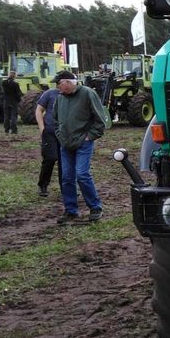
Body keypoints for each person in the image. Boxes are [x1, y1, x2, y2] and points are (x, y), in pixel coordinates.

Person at [52, 69, 109, 223]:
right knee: (66, 178)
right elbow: (56, 120)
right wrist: (60, 135)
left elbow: (100, 119)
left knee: (82, 175)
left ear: (68, 82)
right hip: (66, 144)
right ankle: (71, 211)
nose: (57, 88)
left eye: (58, 84)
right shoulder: (60, 98)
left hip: (83, 143)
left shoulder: (87, 93)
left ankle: (95, 207)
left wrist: (89, 137)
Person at [35, 86, 61, 197]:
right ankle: (43, 185)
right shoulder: (50, 93)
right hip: (50, 131)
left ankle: (66, 187)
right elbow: (39, 109)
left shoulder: (72, 94)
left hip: (65, 132)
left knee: (64, 161)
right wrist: (42, 128)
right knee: (50, 158)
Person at [1, 70, 22, 137]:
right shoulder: (15, 84)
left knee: (6, 116)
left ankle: (6, 130)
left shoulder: (4, 83)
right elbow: (18, 94)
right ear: (14, 76)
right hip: (14, 102)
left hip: (6, 101)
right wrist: (19, 100)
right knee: (13, 116)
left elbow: (4, 91)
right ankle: (14, 130)